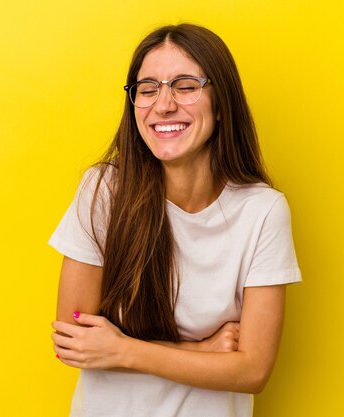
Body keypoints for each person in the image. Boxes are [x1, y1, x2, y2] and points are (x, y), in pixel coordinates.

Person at [49, 23, 301, 417]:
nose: (163, 105)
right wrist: (197, 352)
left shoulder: (263, 211)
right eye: (147, 89)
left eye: (185, 86)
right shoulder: (104, 190)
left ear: (221, 104)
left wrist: (123, 348)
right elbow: (74, 339)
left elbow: (253, 370)